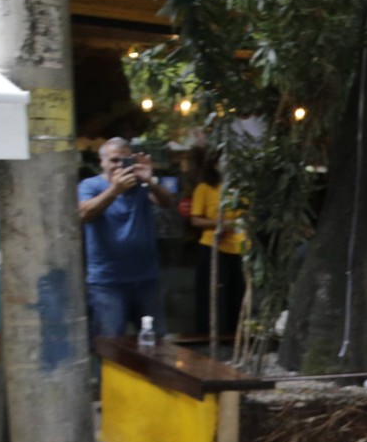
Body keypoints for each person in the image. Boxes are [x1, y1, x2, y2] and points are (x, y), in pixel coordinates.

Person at [78, 137, 175, 341]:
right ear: (102, 162)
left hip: (146, 280)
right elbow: (84, 213)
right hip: (107, 283)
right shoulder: (91, 185)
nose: (119, 166)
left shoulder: (141, 186)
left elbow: (167, 202)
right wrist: (115, 189)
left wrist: (150, 180)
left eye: (125, 161)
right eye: (114, 160)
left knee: (156, 345)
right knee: (109, 344)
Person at [189, 154, 247, 339]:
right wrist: (220, 224)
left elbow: (249, 215)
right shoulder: (205, 188)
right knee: (214, 297)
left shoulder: (241, 189)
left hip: (239, 248)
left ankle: (233, 337)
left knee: (237, 295)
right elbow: (195, 219)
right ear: (214, 164)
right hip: (213, 247)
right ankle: (210, 336)